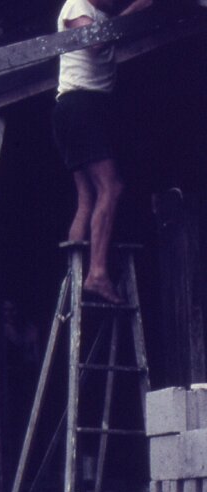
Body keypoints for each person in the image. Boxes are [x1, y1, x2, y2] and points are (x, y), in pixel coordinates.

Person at [53, 0, 153, 304]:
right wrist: (133, 11)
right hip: (80, 105)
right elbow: (95, 42)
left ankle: (75, 276)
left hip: (80, 108)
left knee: (87, 197)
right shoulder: (77, 5)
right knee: (112, 187)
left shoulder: (101, 13)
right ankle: (96, 273)